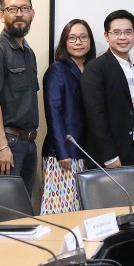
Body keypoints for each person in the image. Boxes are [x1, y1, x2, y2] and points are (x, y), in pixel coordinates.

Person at [0, 0, 40, 194]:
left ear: (32, 13)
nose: (19, 14)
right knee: (2, 208)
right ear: (1, 14)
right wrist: (2, 145)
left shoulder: (28, 53)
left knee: (22, 207)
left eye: (25, 8)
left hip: (28, 143)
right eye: (12, 9)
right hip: (7, 143)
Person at [40, 19, 96, 213]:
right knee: (61, 211)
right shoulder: (57, 70)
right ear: (65, 42)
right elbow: (53, 112)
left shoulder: (92, 69)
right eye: (72, 38)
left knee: (80, 210)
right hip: (63, 154)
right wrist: (62, 151)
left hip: (86, 151)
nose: (78, 42)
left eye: (83, 37)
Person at [80, 10, 134, 169]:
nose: (123, 37)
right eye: (116, 32)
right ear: (106, 35)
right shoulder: (96, 68)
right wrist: (109, 156)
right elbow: (95, 115)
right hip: (111, 155)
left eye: (128, 32)